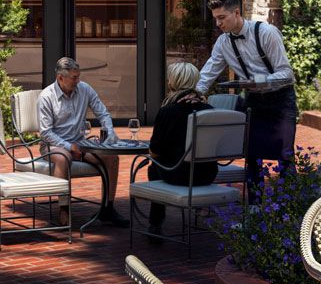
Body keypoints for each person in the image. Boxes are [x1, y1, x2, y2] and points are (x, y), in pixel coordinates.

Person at [195, 0, 295, 196]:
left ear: (237, 13)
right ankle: (255, 209)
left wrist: (259, 82)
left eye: (222, 18)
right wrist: (192, 94)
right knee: (252, 157)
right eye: (215, 19)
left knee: (285, 156)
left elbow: (286, 74)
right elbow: (208, 73)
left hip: (280, 99)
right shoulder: (223, 43)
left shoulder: (267, 33)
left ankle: (290, 209)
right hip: (253, 102)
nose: (218, 24)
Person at [37, 57, 123, 226]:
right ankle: (64, 208)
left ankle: (108, 207)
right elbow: (46, 132)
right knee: (63, 158)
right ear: (60, 78)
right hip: (52, 146)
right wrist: (69, 146)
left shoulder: (84, 89)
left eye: (78, 76)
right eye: (74, 78)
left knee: (112, 157)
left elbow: (103, 114)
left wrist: (110, 133)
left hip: (80, 144)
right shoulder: (47, 96)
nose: (78, 81)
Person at [141, 60, 217, 235]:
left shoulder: (168, 111)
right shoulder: (210, 110)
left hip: (178, 175)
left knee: (154, 167)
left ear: (172, 82)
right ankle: (198, 211)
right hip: (208, 174)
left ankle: (155, 224)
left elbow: (155, 151)